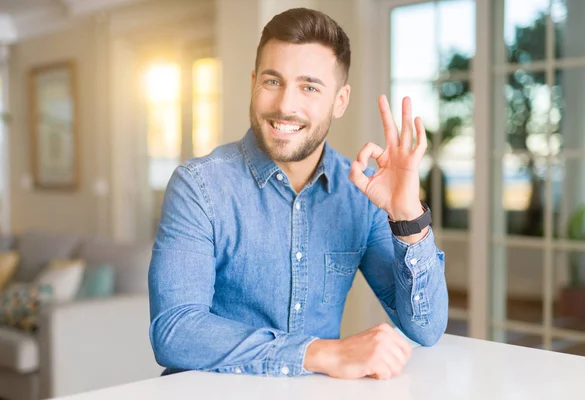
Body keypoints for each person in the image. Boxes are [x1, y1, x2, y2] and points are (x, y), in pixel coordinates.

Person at [149, 7, 448, 381]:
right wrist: (321, 353)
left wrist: (407, 218)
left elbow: (426, 328)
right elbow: (175, 331)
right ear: (254, 82)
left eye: (309, 87)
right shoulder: (199, 186)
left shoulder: (360, 193)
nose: (285, 105)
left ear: (340, 100)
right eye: (273, 82)